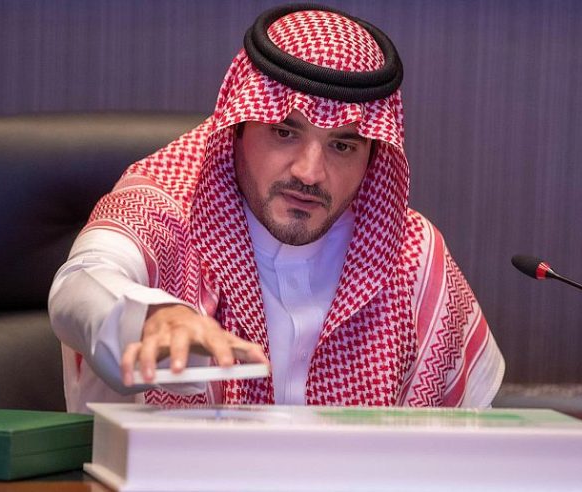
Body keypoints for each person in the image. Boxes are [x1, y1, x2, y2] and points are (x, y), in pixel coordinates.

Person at [49, 4, 504, 413]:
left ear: (373, 156)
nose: (310, 173)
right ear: (238, 128)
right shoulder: (163, 205)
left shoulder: (410, 254)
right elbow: (80, 283)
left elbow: (467, 436)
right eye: (285, 133)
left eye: (342, 145)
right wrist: (155, 318)